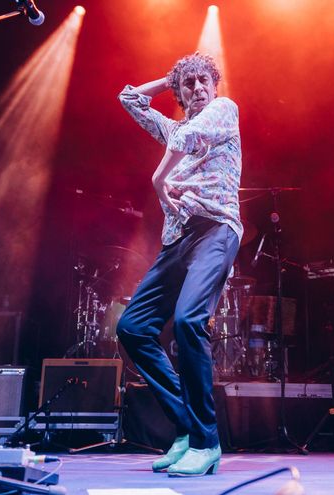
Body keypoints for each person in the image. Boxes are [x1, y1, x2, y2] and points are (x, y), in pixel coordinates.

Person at [115, 53, 241, 477]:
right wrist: (169, 80)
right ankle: (186, 428)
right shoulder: (175, 123)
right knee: (132, 328)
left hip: (216, 227)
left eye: (204, 80)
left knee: (188, 321)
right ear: (180, 95)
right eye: (190, 85)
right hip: (178, 239)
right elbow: (128, 99)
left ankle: (207, 443)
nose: (199, 88)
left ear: (215, 84)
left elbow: (187, 141)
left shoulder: (224, 110)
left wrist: (158, 179)